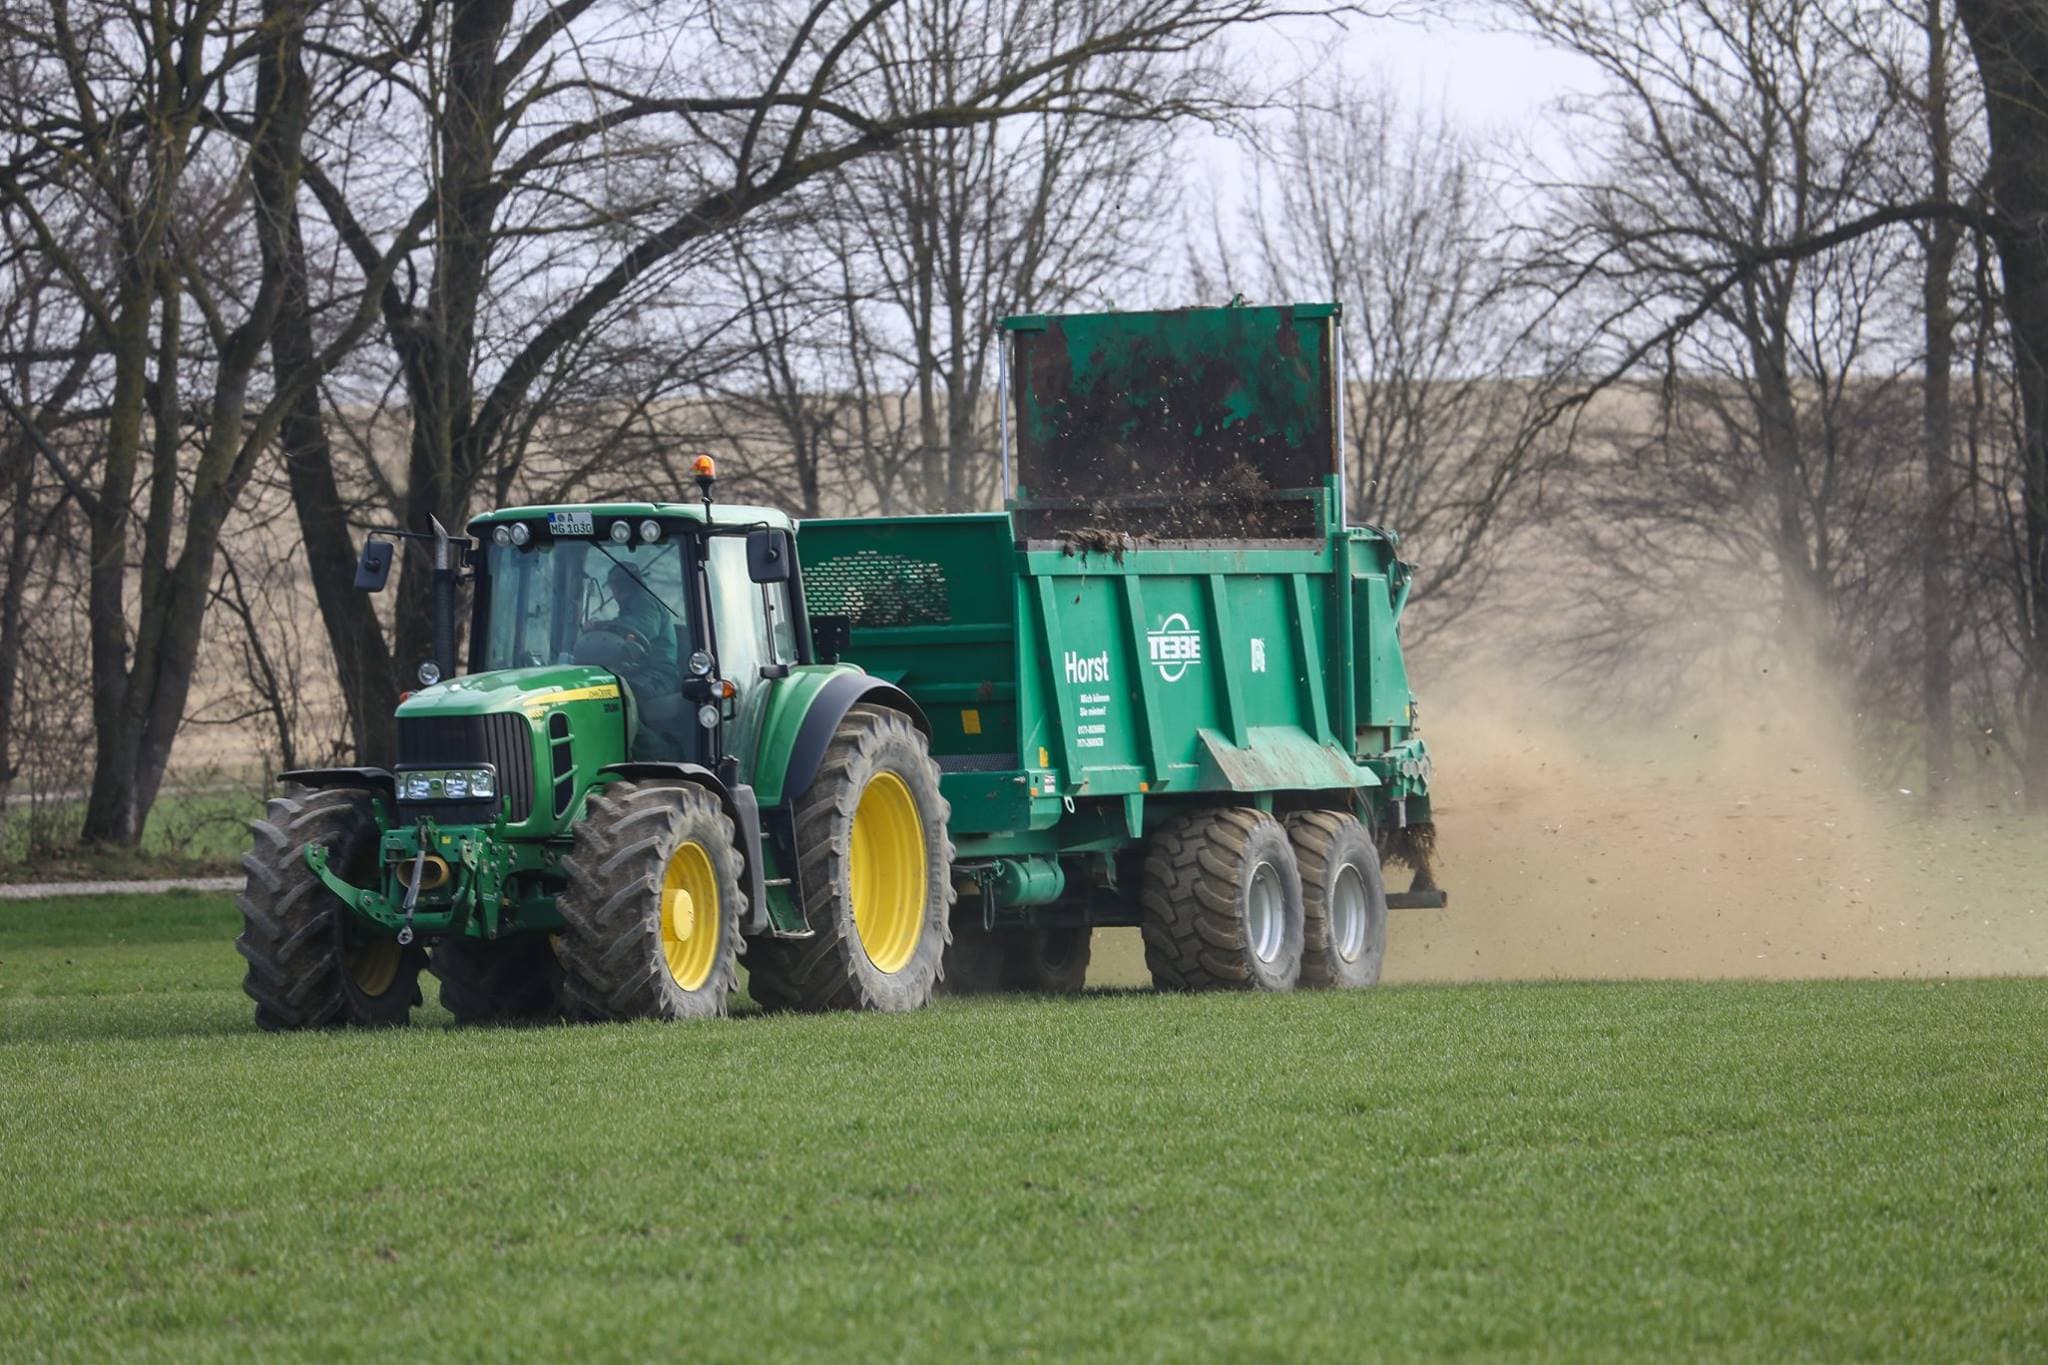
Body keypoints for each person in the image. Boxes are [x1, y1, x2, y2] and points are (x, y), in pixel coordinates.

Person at [576, 561, 678, 698]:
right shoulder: (631, 606)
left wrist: (603, 626)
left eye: (614, 589)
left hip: (658, 676)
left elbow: (643, 626)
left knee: (610, 694)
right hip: (638, 671)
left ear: (617, 588)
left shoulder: (646, 603)